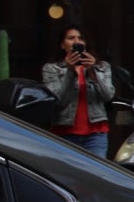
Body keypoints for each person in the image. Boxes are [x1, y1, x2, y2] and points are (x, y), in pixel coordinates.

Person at [42, 27, 115, 156]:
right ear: (63, 44)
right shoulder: (51, 69)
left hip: (95, 134)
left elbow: (108, 96)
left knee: (96, 172)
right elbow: (58, 100)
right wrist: (70, 71)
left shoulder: (102, 67)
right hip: (64, 133)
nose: (77, 41)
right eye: (71, 38)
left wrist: (92, 71)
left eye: (81, 38)